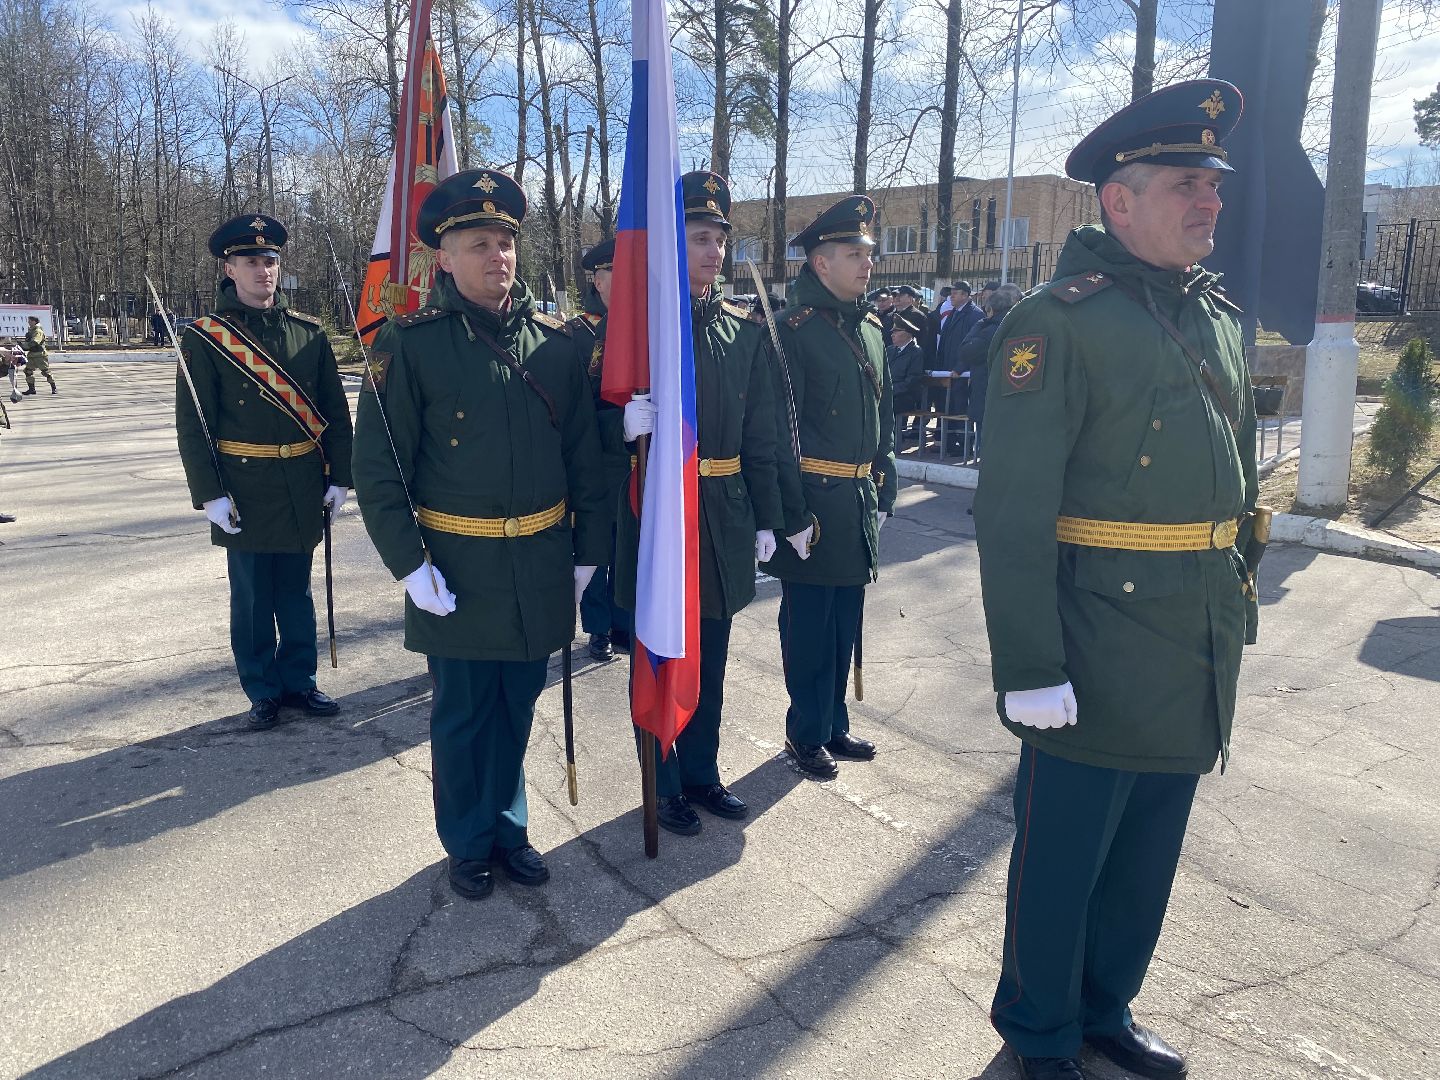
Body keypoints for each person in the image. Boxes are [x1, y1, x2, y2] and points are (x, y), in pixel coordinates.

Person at [973, 79, 1258, 1080]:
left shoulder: (1216, 314)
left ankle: (1105, 1009)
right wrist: (1029, 665)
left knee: (1144, 858)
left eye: (1214, 186)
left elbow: (1242, 474)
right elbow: (1009, 516)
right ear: (1119, 200)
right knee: (1064, 865)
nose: (1211, 201)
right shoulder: (1059, 324)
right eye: (1188, 183)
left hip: (1193, 638)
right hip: (1091, 642)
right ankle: (1040, 1032)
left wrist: (1238, 590)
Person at [352, 169, 609, 902]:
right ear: (443, 258)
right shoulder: (411, 345)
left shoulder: (559, 347)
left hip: (537, 562)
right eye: (478, 243)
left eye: (505, 242)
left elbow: (585, 463)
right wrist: (409, 565)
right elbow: (379, 471)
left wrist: (588, 555)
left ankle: (510, 826)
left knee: (518, 706)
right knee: (465, 715)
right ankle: (468, 842)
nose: (498, 255)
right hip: (456, 566)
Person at [616, 170, 783, 835]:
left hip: (723, 517)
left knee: (711, 660)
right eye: (697, 238)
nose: (712, 251)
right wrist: (620, 426)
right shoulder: (640, 331)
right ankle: (660, 786)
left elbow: (763, 437)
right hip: (661, 520)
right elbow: (595, 433)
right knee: (662, 655)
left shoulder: (743, 335)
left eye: (718, 239)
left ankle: (702, 774)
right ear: (667, 244)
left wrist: (769, 517)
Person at [175, 214, 354, 732]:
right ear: (229, 268)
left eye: (270, 261)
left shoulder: (307, 335)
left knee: (295, 591)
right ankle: (262, 689)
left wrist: (339, 477)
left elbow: (335, 413)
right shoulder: (207, 339)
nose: (262, 271)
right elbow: (193, 425)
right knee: (252, 596)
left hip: (300, 481)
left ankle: (300, 680)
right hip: (244, 486)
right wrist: (209, 493)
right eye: (250, 261)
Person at [760, 194, 896, 780]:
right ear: (820, 263)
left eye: (867, 251)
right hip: (813, 505)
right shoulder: (793, 331)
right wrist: (788, 514)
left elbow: (883, 415)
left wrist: (883, 490)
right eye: (852, 253)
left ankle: (834, 723)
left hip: (857, 502)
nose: (867, 263)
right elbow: (775, 433)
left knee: (844, 623)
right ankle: (805, 731)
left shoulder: (868, 328)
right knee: (809, 628)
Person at [569, 238, 633, 662]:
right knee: (596, 546)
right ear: (596, 278)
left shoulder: (642, 326)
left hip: (638, 463)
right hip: (597, 461)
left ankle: (626, 621)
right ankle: (597, 627)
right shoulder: (578, 333)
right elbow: (574, 406)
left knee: (629, 547)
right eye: (611, 270)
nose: (622, 278)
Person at [947, 282, 1021, 457]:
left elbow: (966, 351)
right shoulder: (1019, 326)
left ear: (991, 310)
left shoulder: (988, 330)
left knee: (987, 445)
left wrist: (980, 325)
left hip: (987, 393)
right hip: (1011, 393)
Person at [887, 308, 927, 443]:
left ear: (908, 334)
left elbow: (912, 380)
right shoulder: (890, 350)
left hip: (905, 396)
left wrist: (891, 390)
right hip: (889, 392)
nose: (892, 335)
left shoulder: (915, 352)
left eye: (896, 332)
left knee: (888, 405)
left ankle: (891, 440)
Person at [21, 317, 56, 396]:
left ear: (34, 321)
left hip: (40, 355)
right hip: (32, 355)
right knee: (28, 371)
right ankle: (31, 389)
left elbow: (35, 342)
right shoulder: (31, 331)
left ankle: (54, 388)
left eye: (30, 321)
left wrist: (24, 346)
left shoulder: (38, 331)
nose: (29, 322)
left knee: (46, 372)